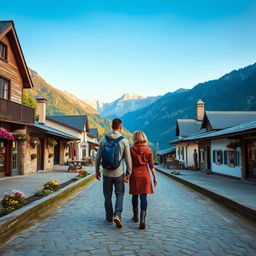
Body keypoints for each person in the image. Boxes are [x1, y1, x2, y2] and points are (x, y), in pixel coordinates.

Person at [95, 118, 132, 228]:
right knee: (119, 194)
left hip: (106, 172)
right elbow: (128, 158)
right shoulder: (124, 140)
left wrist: (97, 170)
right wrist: (128, 173)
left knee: (107, 195)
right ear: (120, 127)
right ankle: (117, 215)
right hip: (119, 173)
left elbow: (98, 158)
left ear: (111, 127)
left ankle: (109, 218)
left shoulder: (103, 140)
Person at [129, 131, 158, 229]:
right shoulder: (148, 150)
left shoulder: (131, 149)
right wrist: (154, 177)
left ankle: (136, 216)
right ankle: (142, 219)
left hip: (135, 174)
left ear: (135, 138)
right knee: (143, 196)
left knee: (134, 195)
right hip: (145, 174)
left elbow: (129, 164)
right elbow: (151, 166)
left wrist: (127, 175)